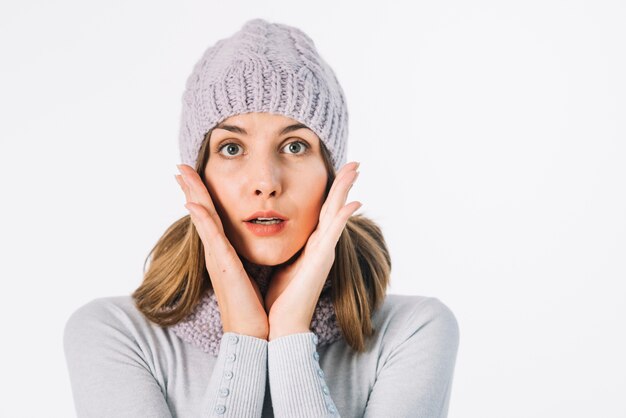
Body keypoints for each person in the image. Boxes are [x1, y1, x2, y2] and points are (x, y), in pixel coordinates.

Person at [63, 18, 460, 418]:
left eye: (295, 145)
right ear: (197, 177)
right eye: (232, 148)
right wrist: (245, 339)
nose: (266, 183)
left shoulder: (413, 331)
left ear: (332, 173)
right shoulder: (112, 333)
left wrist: (289, 335)